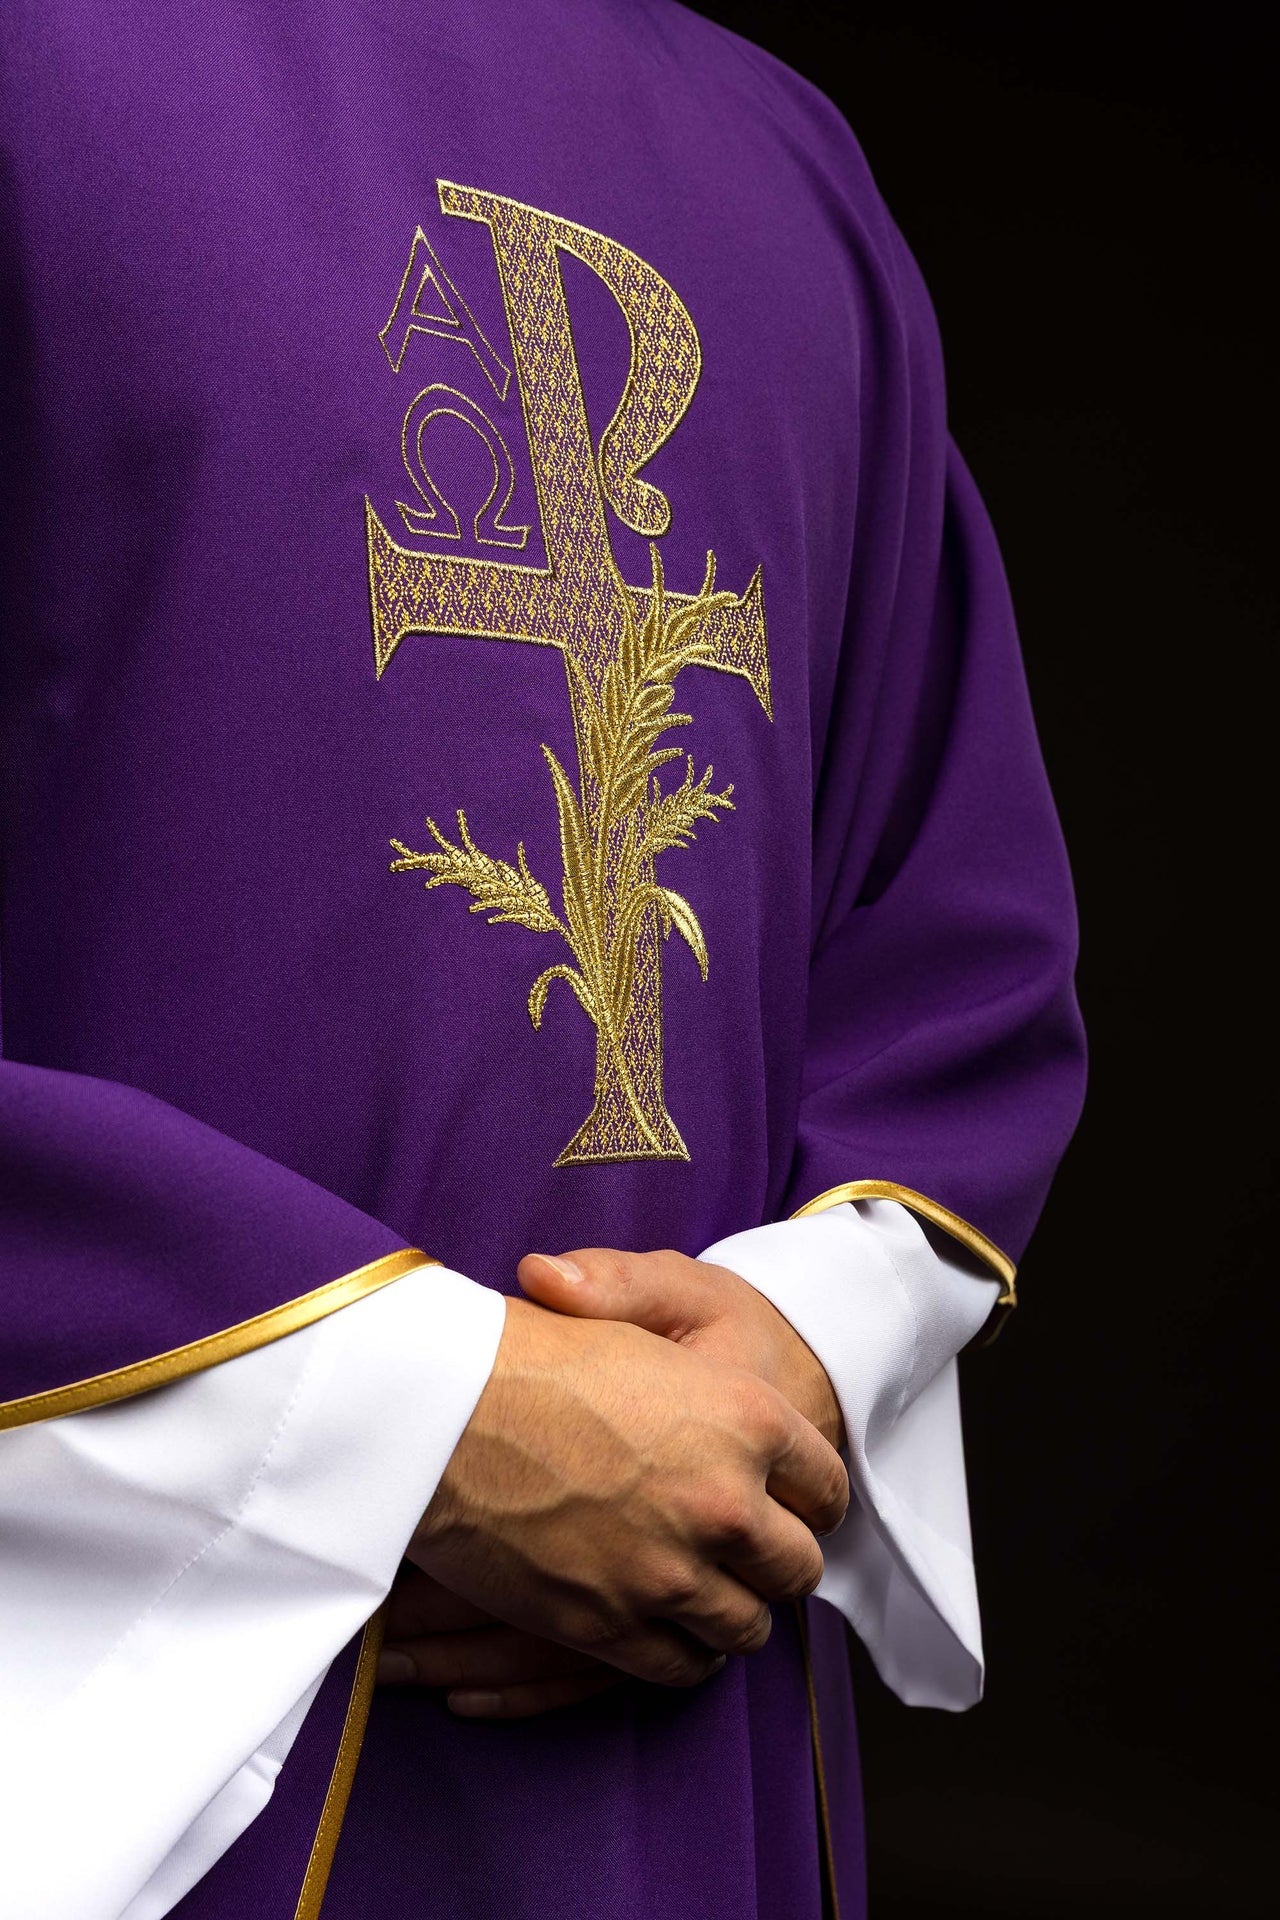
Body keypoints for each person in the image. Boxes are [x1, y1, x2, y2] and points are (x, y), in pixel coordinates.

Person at [0, 3, 1085, 1916]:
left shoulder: (782, 157)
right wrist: (421, 1419)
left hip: (675, 1737)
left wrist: (793, 1362)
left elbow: (948, 918)